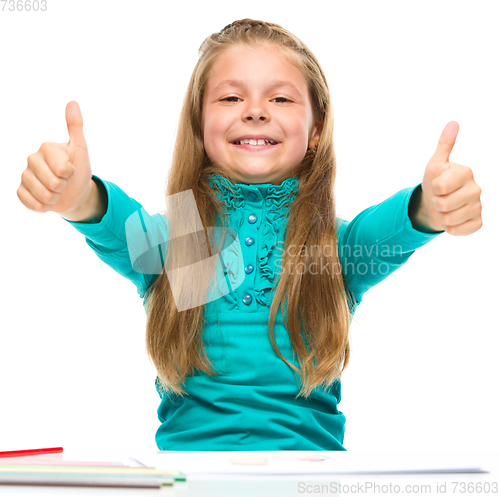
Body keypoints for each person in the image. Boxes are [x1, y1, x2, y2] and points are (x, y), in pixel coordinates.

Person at [17, 19, 482, 451]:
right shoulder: (185, 242)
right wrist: (76, 197)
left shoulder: (327, 246)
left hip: (311, 482)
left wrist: (431, 205)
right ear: (200, 127)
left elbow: (393, 229)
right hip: (188, 480)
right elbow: (115, 223)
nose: (256, 111)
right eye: (230, 98)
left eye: (280, 99)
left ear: (316, 129)